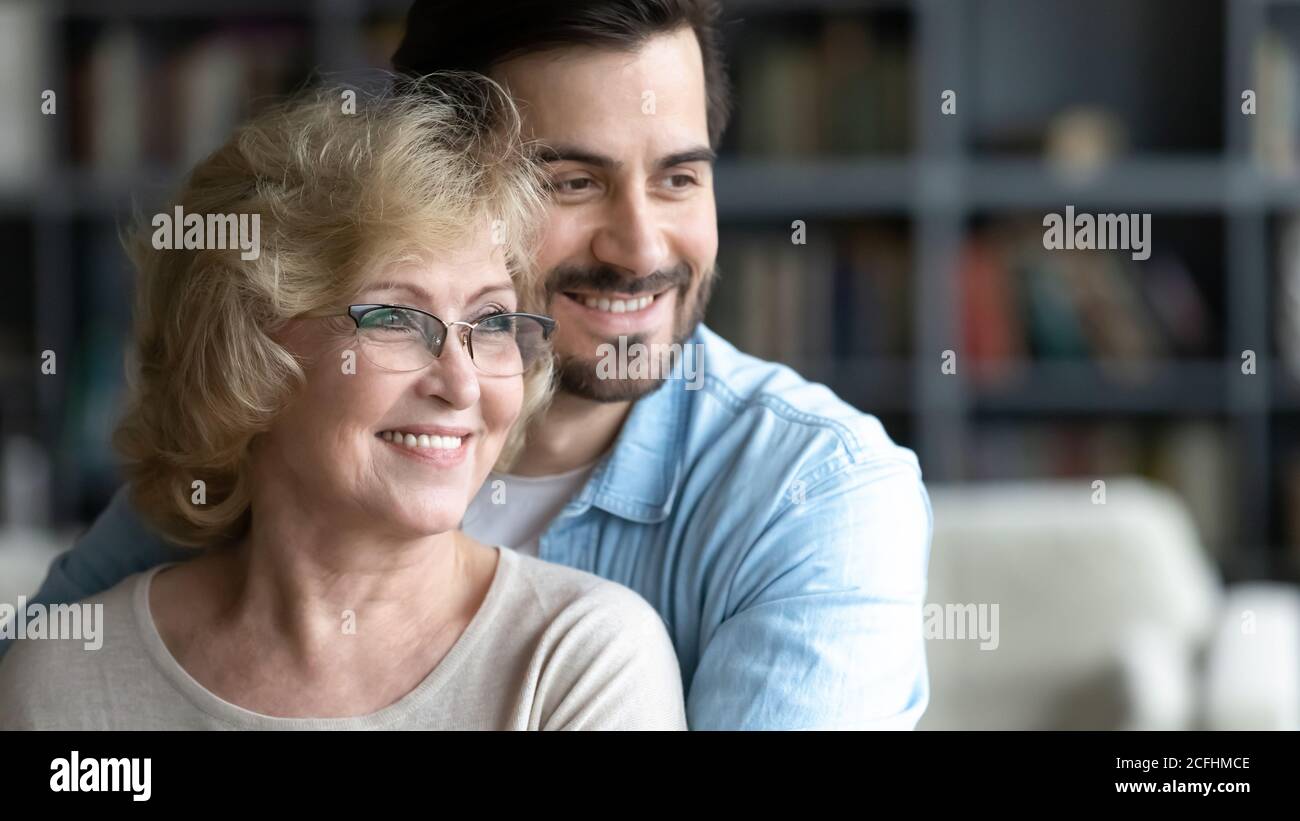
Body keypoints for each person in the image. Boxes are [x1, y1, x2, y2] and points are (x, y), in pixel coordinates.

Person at [6, 0, 933, 730]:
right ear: (434, 178)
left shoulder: (815, 492)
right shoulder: (270, 430)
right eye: (570, 181)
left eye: (679, 177)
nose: (639, 246)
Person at [0, 77, 687, 730]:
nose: (463, 383)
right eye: (394, 318)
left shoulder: (581, 658)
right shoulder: (67, 677)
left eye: (492, 323)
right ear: (247, 342)